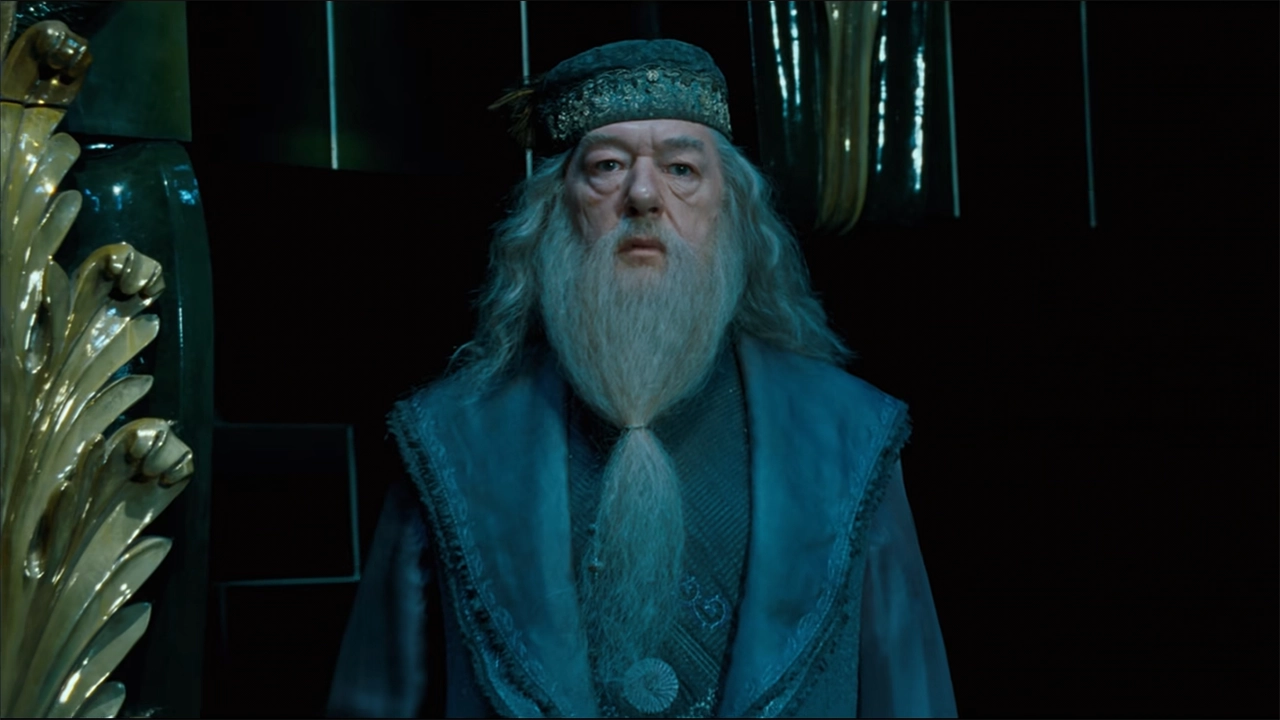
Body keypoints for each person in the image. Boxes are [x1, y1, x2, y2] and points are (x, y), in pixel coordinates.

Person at [326, 39, 956, 718]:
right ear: (556, 208)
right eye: (607, 167)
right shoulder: (452, 441)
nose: (645, 196)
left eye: (682, 169)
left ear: (729, 207)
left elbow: (911, 696)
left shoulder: (847, 436)